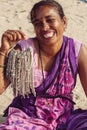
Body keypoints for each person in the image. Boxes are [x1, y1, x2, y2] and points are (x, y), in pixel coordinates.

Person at [0, 0, 87, 129]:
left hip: (64, 118)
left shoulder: (77, 50)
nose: (45, 27)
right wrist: (4, 51)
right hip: (28, 116)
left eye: (50, 20)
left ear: (64, 22)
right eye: (38, 23)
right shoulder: (24, 51)